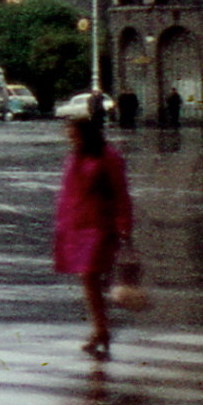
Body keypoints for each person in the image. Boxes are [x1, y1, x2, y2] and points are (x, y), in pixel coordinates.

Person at [53, 114, 134, 358]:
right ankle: (101, 329)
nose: (71, 139)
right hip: (77, 226)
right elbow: (69, 193)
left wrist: (124, 225)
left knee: (90, 277)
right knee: (91, 281)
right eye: (69, 136)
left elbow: (121, 192)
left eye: (74, 134)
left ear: (86, 133)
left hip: (100, 226)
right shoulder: (75, 156)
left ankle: (101, 329)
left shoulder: (108, 156)